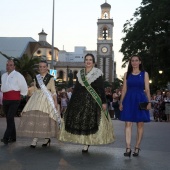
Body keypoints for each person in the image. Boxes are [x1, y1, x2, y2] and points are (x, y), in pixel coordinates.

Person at [59, 53, 115, 152]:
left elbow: (101, 89)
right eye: (86, 60)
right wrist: (71, 102)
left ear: (93, 62)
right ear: (84, 62)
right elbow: (76, 89)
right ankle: (84, 140)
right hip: (81, 101)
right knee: (82, 121)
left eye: (90, 60)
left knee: (91, 121)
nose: (88, 61)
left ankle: (87, 143)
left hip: (93, 101)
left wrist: (103, 102)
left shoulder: (97, 73)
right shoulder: (80, 73)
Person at [17, 60, 61, 148]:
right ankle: (35, 139)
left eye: (44, 67)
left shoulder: (51, 78)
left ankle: (47, 137)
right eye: (40, 67)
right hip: (36, 98)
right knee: (36, 119)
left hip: (47, 99)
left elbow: (53, 91)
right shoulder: (36, 77)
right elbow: (36, 89)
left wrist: (55, 102)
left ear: (47, 68)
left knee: (46, 119)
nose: (42, 68)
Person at [119, 55, 151, 157]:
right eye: (132, 61)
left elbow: (147, 89)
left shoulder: (144, 74)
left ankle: (137, 147)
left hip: (141, 99)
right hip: (128, 99)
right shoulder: (126, 74)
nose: (134, 62)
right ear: (130, 62)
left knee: (140, 124)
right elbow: (124, 89)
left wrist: (149, 102)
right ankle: (128, 147)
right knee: (128, 123)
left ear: (140, 62)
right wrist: (121, 102)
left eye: (136, 60)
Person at [1, 59, 28, 144]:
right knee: (9, 118)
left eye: (11, 65)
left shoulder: (18, 75)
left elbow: (24, 86)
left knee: (9, 117)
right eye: (7, 65)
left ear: (14, 66)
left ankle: (6, 137)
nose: (8, 66)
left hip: (14, 99)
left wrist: (22, 95)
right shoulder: (3, 75)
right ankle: (13, 137)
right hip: (5, 99)